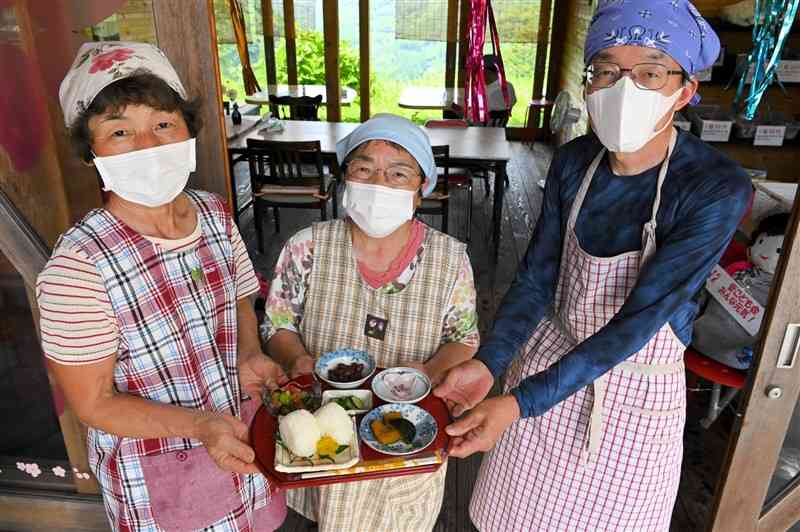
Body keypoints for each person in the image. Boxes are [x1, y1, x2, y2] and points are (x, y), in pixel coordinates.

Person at [434, 1, 753, 530]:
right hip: (546, 362)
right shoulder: (576, 160)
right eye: (605, 70)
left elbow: (638, 322)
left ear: (685, 91)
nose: (623, 87)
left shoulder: (712, 188)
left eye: (650, 72)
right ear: (588, 84)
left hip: (634, 388)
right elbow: (537, 277)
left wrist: (516, 404)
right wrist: (489, 363)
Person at [37, 42, 288, 531]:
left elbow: (239, 297)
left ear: (186, 129)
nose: (148, 146)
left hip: (240, 435)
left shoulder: (215, 213)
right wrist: (200, 426)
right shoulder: (78, 267)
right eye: (120, 132)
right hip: (162, 474)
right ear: (91, 154)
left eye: (163, 124)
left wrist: (248, 354)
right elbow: (93, 403)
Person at [261, 113, 479, 531]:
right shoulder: (306, 246)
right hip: (323, 431)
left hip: (405, 433)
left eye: (399, 173)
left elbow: (464, 337)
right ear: (345, 179)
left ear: (421, 191)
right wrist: (299, 361)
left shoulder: (450, 259)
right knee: (324, 512)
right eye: (364, 168)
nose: (379, 183)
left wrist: (431, 370)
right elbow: (278, 325)